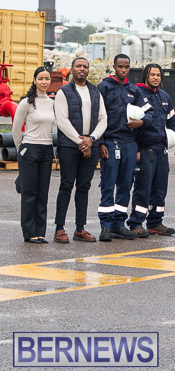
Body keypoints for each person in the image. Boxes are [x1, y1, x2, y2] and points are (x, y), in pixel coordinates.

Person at [54, 57, 107, 243]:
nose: (82, 69)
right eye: (78, 66)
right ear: (72, 69)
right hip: (69, 146)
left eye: (85, 66)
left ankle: (80, 229)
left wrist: (91, 139)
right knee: (66, 185)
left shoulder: (95, 92)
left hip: (90, 144)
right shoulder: (64, 92)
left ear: (88, 70)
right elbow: (62, 121)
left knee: (84, 187)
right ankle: (59, 229)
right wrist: (81, 142)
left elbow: (103, 119)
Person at [128, 64, 175, 236]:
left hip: (162, 151)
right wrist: (136, 150)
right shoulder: (137, 94)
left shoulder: (164, 96)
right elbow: (131, 125)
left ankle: (155, 222)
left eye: (158, 75)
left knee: (160, 189)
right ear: (145, 76)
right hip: (145, 150)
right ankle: (136, 223)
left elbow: (172, 121)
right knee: (143, 188)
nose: (155, 78)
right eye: (152, 74)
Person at [96, 54, 147, 242]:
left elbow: (147, 113)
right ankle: (106, 226)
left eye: (126, 67)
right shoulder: (103, 88)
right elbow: (96, 116)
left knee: (126, 185)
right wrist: (101, 142)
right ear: (114, 67)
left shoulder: (134, 91)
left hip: (130, 144)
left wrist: (141, 123)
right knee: (108, 185)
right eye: (120, 66)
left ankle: (119, 224)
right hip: (110, 142)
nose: (123, 70)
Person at [13, 67, 55, 243]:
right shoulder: (27, 102)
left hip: (46, 150)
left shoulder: (52, 103)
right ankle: (29, 232)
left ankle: (40, 232)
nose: (44, 82)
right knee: (29, 193)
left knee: (42, 193)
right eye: (40, 78)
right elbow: (16, 129)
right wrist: (20, 150)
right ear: (34, 80)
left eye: (47, 78)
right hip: (29, 149)